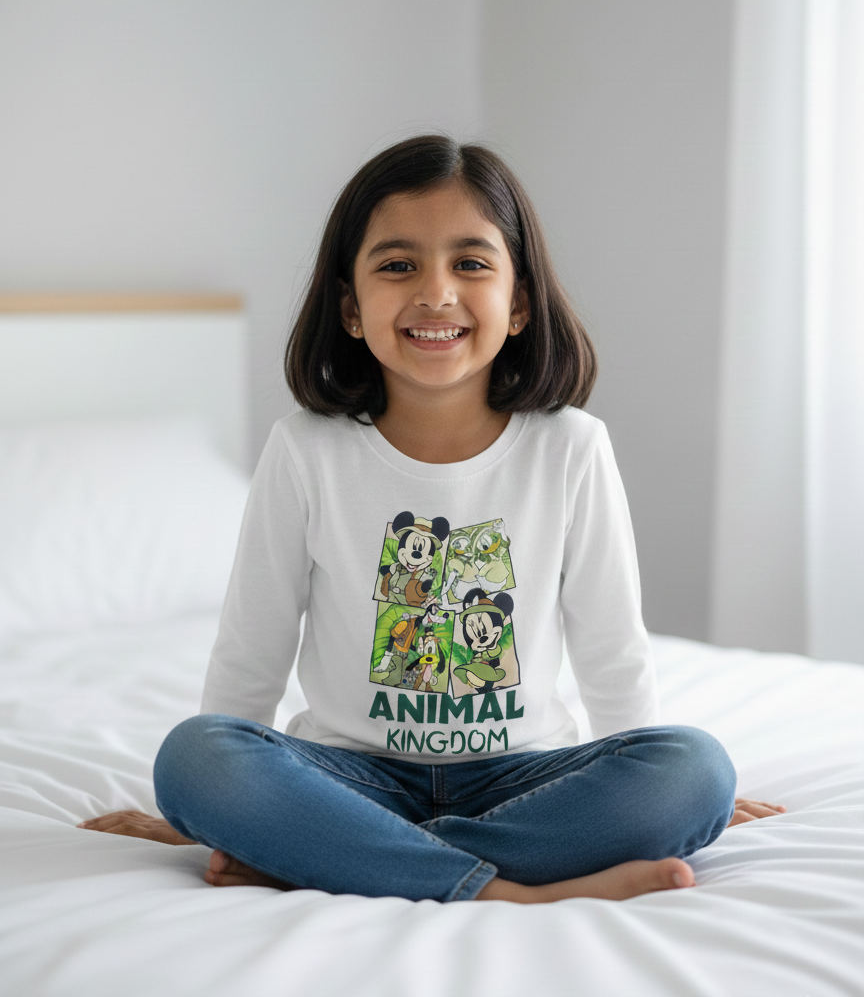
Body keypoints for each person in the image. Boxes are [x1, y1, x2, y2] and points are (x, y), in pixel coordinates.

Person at [79, 135, 784, 903]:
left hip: (523, 775)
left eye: (471, 263)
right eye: (397, 264)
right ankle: (510, 887)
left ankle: (340, 858)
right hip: (351, 774)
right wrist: (209, 809)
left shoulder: (571, 447)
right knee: (197, 757)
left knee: (696, 770)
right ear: (350, 309)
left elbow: (613, 652)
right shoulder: (306, 450)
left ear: (517, 303)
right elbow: (254, 648)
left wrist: (647, 780)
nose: (436, 293)